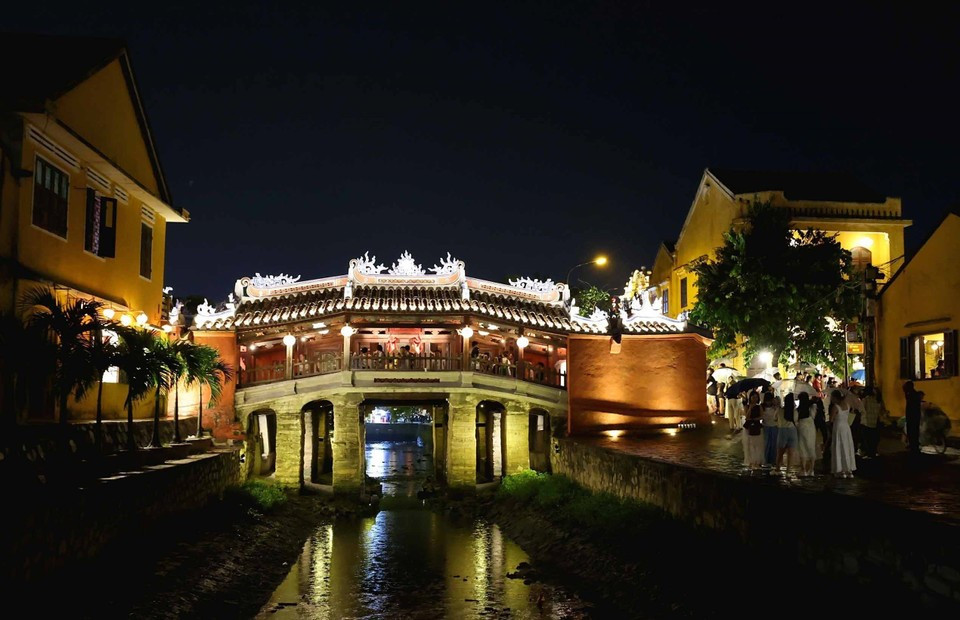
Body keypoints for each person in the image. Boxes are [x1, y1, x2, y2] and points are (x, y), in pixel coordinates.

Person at [829, 389, 857, 477]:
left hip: (838, 427)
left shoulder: (835, 407)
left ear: (835, 397)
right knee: (846, 446)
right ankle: (849, 470)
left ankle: (840, 470)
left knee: (839, 446)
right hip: (846, 427)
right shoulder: (847, 405)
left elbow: (831, 419)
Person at [859, 387, 884, 458]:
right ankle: (873, 452)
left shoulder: (866, 400)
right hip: (875, 422)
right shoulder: (879, 400)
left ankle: (869, 453)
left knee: (867, 439)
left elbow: (861, 410)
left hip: (866, 422)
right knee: (873, 439)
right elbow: (882, 411)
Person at [776, 393, 799, 472]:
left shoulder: (780, 410)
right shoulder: (794, 411)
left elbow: (775, 419)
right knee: (791, 453)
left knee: (780, 452)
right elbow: (796, 421)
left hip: (782, 431)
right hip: (792, 431)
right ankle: (788, 470)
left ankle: (777, 468)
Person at [796, 392, 816, 476]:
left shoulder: (798, 409)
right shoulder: (812, 406)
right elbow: (813, 416)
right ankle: (811, 469)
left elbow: (796, 419)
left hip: (801, 426)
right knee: (811, 447)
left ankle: (803, 469)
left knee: (802, 447)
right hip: (810, 426)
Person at [760, 392, 780, 467]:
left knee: (774, 444)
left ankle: (773, 460)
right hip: (766, 426)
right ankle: (766, 460)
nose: (768, 402)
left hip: (774, 426)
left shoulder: (775, 407)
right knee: (766, 444)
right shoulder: (762, 407)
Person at [903, 381, 923, 457]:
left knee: (912, 432)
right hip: (915, 416)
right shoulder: (914, 394)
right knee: (914, 432)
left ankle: (913, 447)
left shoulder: (910, 394)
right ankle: (915, 447)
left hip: (912, 417)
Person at [742, 405, 764, 469]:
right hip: (748, 426)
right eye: (753, 397)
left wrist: (754, 419)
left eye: (756, 397)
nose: (754, 399)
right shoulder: (748, 406)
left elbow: (762, 416)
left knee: (757, 445)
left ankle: (756, 461)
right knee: (749, 444)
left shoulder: (759, 406)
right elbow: (746, 417)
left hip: (756, 426)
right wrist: (750, 409)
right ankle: (751, 461)